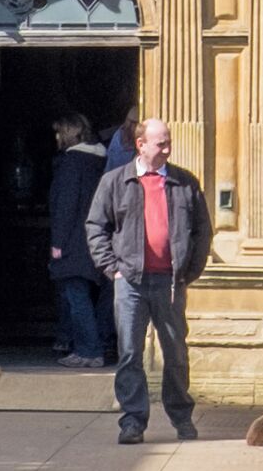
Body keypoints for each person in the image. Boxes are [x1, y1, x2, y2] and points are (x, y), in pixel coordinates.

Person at [83, 116, 210, 444]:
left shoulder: (185, 182)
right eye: (161, 143)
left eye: (168, 142)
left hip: (169, 283)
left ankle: (182, 417)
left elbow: (202, 230)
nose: (168, 149)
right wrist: (113, 269)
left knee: (176, 353)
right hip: (131, 283)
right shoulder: (115, 181)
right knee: (129, 353)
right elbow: (96, 226)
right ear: (141, 145)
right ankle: (133, 421)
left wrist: (188, 271)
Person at [47, 113, 113, 368]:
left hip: (73, 241)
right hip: (96, 237)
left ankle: (89, 350)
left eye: (58, 132)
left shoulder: (72, 162)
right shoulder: (98, 160)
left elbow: (65, 205)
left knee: (76, 297)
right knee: (89, 296)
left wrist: (57, 243)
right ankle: (90, 347)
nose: (55, 138)